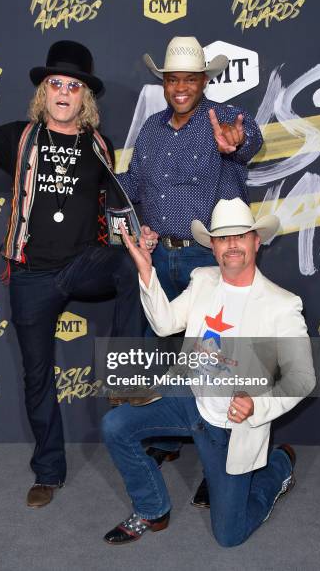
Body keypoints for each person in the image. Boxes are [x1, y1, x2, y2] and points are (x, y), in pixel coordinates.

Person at [0, 40, 152, 509]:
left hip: (82, 264)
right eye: (55, 83)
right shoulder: (18, 135)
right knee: (37, 377)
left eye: (73, 86)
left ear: (84, 98)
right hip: (31, 274)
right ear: (43, 92)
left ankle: (127, 381)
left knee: (129, 266)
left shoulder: (99, 146)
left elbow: (113, 210)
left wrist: (138, 239)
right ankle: (49, 472)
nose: (63, 92)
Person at [102, 198, 315, 547]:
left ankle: (278, 466)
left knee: (229, 536)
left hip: (230, 426)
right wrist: (146, 271)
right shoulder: (202, 279)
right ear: (213, 247)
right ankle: (152, 508)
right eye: (223, 238)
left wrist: (257, 406)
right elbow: (165, 322)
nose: (232, 244)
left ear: (255, 242)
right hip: (188, 399)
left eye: (241, 236)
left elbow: (302, 377)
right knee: (115, 425)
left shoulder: (282, 304)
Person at [116, 36, 264, 503]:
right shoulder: (153, 130)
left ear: (205, 80)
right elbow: (134, 184)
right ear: (164, 82)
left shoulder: (224, 119)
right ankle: (161, 441)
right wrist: (119, 209)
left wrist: (237, 143)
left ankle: (219, 458)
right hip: (161, 256)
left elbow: (248, 140)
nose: (180, 87)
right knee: (160, 352)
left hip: (208, 257)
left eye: (190, 78)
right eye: (172, 79)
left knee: (214, 362)